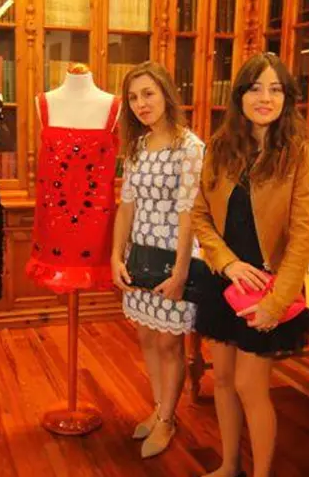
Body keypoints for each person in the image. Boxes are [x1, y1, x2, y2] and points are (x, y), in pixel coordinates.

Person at [191, 52, 309, 477]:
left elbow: (302, 236)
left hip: (270, 288)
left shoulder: (299, 155)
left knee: (250, 385)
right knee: (223, 380)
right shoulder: (220, 148)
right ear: (240, 96)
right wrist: (227, 263)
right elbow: (200, 216)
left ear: (287, 98)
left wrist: (277, 303)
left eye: (275, 89)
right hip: (223, 281)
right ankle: (229, 466)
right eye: (255, 88)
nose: (265, 98)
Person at [110, 61, 205, 458]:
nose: (141, 104)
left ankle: (167, 419)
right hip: (140, 258)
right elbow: (126, 207)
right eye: (133, 97)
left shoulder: (190, 148)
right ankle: (159, 407)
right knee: (147, 337)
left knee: (170, 344)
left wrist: (181, 272)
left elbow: (189, 215)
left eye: (148, 93)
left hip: (172, 259)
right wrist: (116, 256)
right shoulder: (137, 146)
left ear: (166, 93)